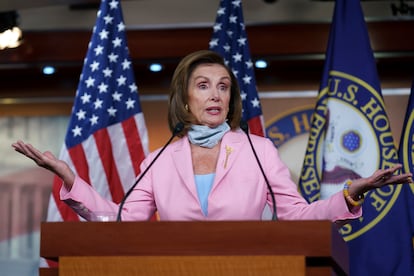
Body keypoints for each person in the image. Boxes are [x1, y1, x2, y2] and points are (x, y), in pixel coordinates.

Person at [12, 50, 412, 222]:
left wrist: (351, 193)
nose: (216, 93)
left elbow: (299, 215)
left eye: (223, 86)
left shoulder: (258, 150)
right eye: (203, 85)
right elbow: (118, 221)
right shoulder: (158, 159)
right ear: (185, 100)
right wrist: (71, 179)